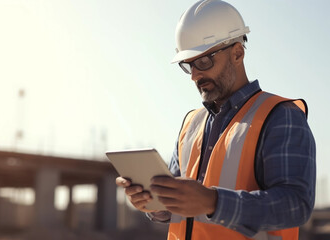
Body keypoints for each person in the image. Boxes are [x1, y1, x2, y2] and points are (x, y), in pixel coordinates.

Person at [116, 0, 316, 239]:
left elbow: (295, 206)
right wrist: (154, 203)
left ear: (237, 53)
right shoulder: (190, 124)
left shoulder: (281, 116)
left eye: (203, 62)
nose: (195, 76)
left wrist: (214, 202)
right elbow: (178, 208)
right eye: (189, 65)